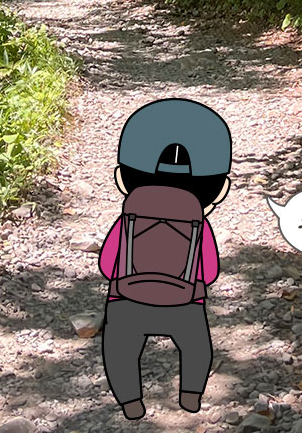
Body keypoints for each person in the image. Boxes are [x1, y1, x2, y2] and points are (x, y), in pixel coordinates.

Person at [98, 98, 232, 420]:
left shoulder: (127, 215)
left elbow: (107, 263)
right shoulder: (199, 221)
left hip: (125, 301)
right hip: (185, 305)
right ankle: (190, 395)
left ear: (123, 178)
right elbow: (209, 271)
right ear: (219, 188)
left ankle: (131, 402)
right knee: (197, 348)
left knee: (119, 350)